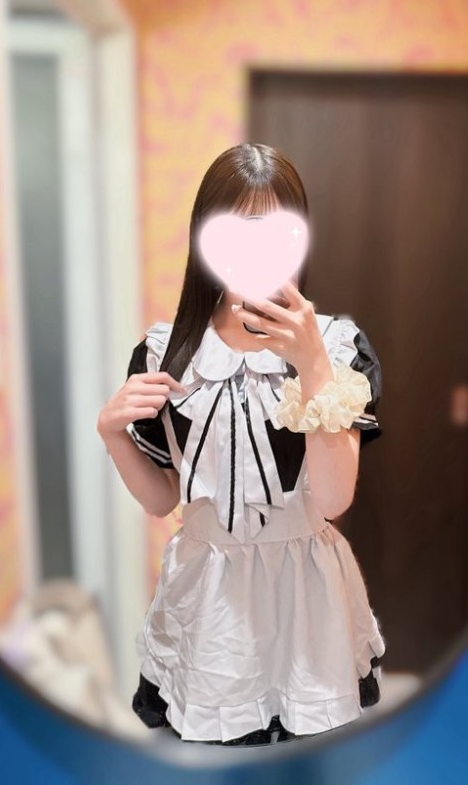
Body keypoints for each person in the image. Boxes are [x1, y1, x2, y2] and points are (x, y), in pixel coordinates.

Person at [97, 143, 386, 746]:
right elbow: (162, 498)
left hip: (307, 597)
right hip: (209, 601)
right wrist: (113, 434)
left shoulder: (337, 347)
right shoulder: (165, 352)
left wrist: (312, 366)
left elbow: (333, 498)